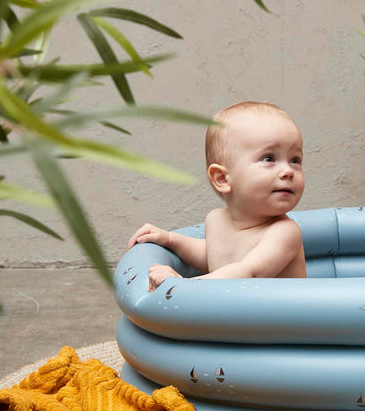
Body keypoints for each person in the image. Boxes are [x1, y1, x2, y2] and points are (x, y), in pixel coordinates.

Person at [127, 101, 306, 290]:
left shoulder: (284, 233)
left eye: (295, 160)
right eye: (269, 158)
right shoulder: (216, 220)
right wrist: (170, 239)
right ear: (222, 178)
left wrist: (184, 285)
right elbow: (213, 258)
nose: (288, 170)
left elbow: (247, 272)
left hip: (277, 320)